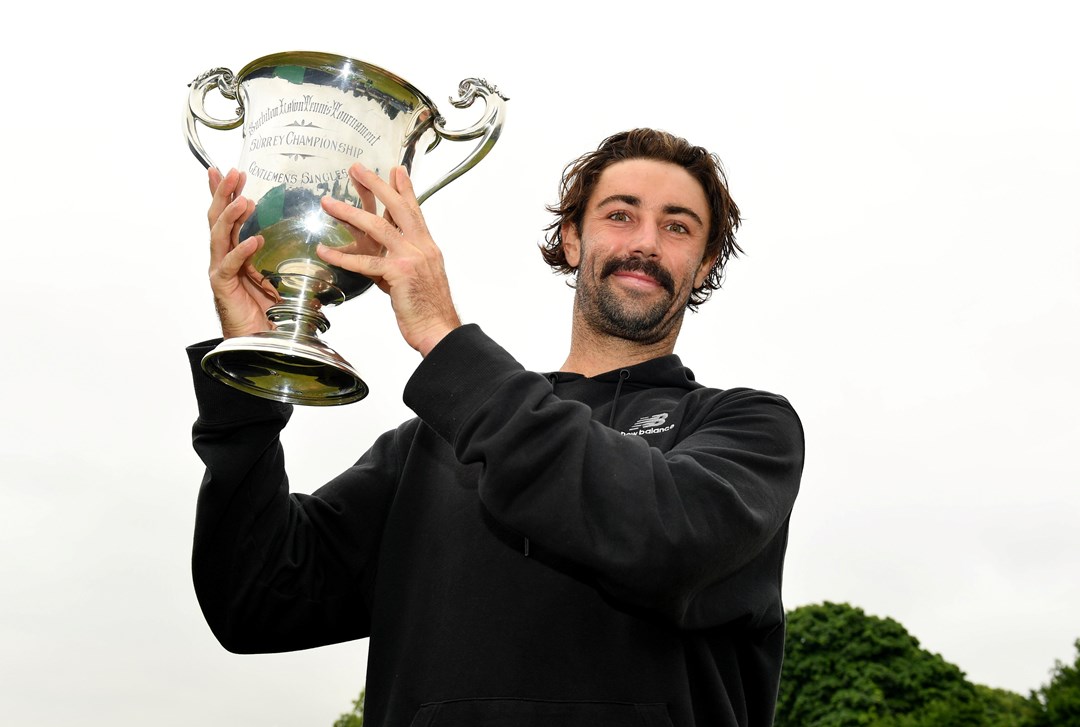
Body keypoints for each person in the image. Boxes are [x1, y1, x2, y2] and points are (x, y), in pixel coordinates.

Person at [188, 128, 805, 727]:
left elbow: (666, 537)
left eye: (677, 227)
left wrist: (443, 336)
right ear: (571, 239)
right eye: (620, 215)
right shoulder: (434, 442)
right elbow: (255, 599)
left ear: (703, 266)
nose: (645, 242)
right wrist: (250, 388)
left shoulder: (749, 428)